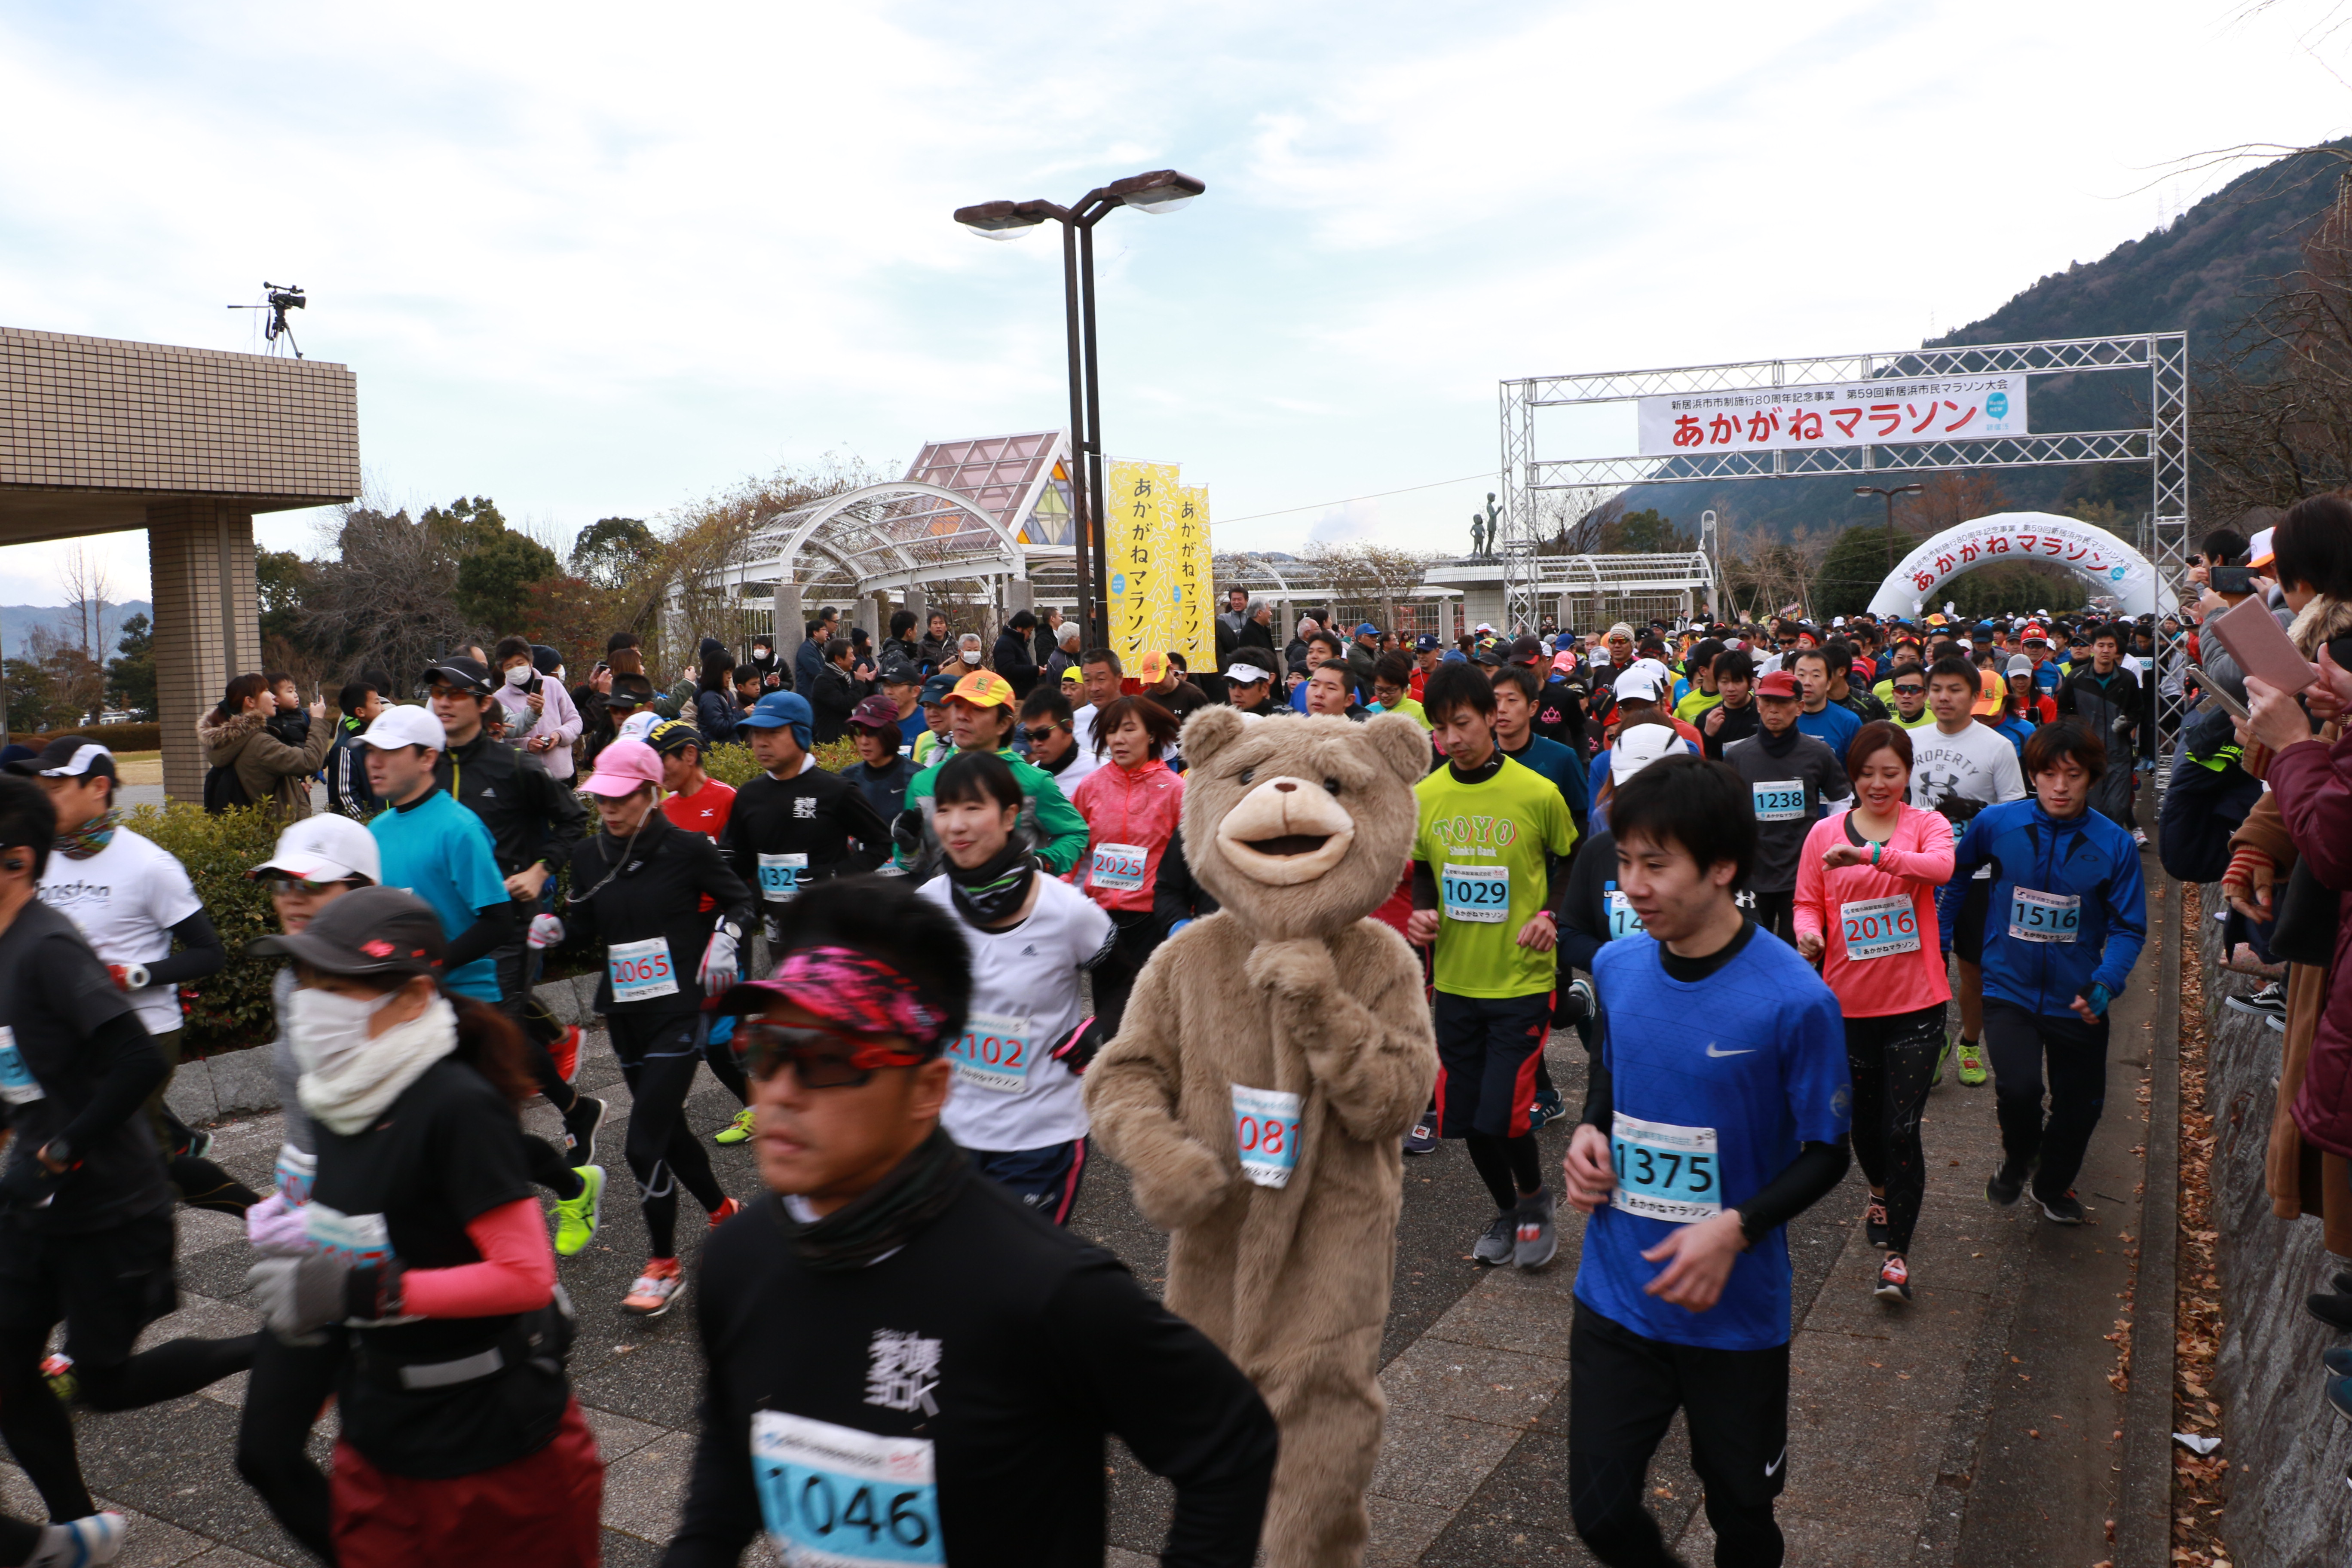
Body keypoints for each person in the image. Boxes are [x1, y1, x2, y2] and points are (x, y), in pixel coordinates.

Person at [661, 872, 1275, 1566]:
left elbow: (1231, 1442)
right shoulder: (738, 1258)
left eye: (827, 1059)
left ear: (927, 1087)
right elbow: (729, 1436)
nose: (779, 1091)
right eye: (766, 1050)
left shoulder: (1047, 1287)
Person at [242, 888, 603, 1568]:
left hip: (497, 1450)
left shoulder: (456, 1103)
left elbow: (526, 1275)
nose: (309, 1001)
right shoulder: (336, 1095)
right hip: (379, 1439)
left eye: (335, 985)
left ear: (411, 997)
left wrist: (366, 1293)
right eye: (309, 980)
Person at [1558, 754, 1850, 1568]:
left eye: (1656, 863)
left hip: (1734, 1312)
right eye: (1623, 861)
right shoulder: (1617, 966)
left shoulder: (1795, 999)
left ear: (1721, 867)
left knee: (1743, 1514)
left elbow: (1828, 1152)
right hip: (1618, 1292)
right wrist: (1590, 1131)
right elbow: (1615, 1073)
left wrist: (1737, 1226)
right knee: (1601, 1512)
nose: (1633, 884)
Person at [0, 773, 256, 1550]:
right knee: (8, 1367)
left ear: (15, 858)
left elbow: (135, 1062)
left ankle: (286, 1346)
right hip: (33, 1206)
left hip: (109, 1204)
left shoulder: (47, 947)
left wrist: (61, 1147)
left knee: (104, 1385)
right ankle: (76, 1528)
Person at [233, 812, 401, 1562]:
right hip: (311, 1241)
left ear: (365, 891)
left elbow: (418, 1142)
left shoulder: (396, 994)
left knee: (389, 1460)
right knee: (264, 1451)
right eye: (280, 883)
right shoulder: (287, 975)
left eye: (311, 883)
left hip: (389, 1255)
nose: (291, 898)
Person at [548, 740, 756, 1314]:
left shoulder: (688, 849)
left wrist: (726, 941)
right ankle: (724, 1214)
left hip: (679, 1014)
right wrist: (553, 930)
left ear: (649, 794)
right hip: (626, 1014)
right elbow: (585, 921)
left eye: (620, 799)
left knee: (641, 1144)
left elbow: (742, 903)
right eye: (601, 800)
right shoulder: (591, 856)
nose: (608, 810)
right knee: (668, 1132)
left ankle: (663, 1265)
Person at [358, 704, 610, 1174]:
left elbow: (496, 922)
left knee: (482, 1141)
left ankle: (570, 1182)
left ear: (427, 758)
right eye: (370, 751)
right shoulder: (375, 833)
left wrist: (432, 967)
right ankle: (576, 1120)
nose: (374, 761)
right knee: (455, 1143)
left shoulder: (458, 828)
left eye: (389, 752)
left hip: (466, 1003)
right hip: (410, 1006)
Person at [14, 740, 250, 1213]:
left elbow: (209, 954)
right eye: (39, 787)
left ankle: (260, 1214)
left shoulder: (150, 865)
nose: (43, 798)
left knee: (119, 1157)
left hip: (142, 1037)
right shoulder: (37, 860)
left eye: (56, 787)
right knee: (120, 1151)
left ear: (98, 787)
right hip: (70, 1036)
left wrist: (134, 975)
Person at [1408, 664, 1578, 1271]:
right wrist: (1422, 915)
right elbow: (1424, 869)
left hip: (1521, 981)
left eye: (1462, 723)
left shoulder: (1536, 791)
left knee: (1504, 1113)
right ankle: (1509, 1208)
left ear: (1490, 718)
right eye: (1441, 728)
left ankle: (1534, 1202)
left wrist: (1552, 917)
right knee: (1467, 1120)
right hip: (1454, 982)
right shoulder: (1426, 797)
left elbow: (1572, 859)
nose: (1452, 738)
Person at [1944, 720, 2147, 1225]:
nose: (2060, 786)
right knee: (2019, 1090)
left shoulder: (2115, 844)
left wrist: (2106, 981)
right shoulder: (1996, 823)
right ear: (2032, 775)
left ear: (2092, 778)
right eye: (2048, 774)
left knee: (2080, 1108)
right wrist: (1939, 939)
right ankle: (2018, 1158)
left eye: (2073, 775)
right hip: (2007, 988)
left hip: (2077, 996)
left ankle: (2053, 1185)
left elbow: (2128, 928)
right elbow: (1955, 874)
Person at [1791, 723, 1954, 1304]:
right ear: (1851, 776)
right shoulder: (1822, 834)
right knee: (1863, 1122)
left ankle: (1897, 1259)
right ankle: (1879, 1189)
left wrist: (1870, 855)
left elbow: (1940, 870)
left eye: (1891, 773)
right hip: (1848, 1003)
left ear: (1908, 774)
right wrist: (1809, 937)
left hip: (1917, 1001)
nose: (1879, 784)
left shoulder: (1926, 825)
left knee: (1901, 1127)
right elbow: (1808, 902)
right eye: (1867, 774)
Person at [916, 752, 1117, 1220]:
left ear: (1010, 816)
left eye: (972, 808)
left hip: (1041, 1135)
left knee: (1021, 1282)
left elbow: (1129, 978)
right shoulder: (928, 905)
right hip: (952, 1131)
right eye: (944, 810)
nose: (956, 825)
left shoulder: (1068, 911)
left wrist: (1101, 1028)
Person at [421, 658, 600, 1132]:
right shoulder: (425, 768)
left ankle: (500, 1151)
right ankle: (577, 1110)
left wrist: (541, 871)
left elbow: (573, 819)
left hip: (506, 922)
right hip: (448, 928)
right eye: (437, 692)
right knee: (497, 1030)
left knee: (493, 1035)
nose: (443, 701)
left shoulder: (514, 765)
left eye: (454, 693)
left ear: (484, 704)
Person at [1912, 655, 2028, 1090]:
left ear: (1974, 695)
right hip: (1923, 876)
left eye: (1954, 689)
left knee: (1974, 970)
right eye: (1937, 689)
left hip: (1979, 879)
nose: (1944, 698)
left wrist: (1976, 815)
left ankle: (1968, 1044)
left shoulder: (1997, 746)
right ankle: (1929, 1040)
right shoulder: (1910, 741)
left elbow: (2015, 812)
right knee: (1926, 966)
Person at [897, 672, 1090, 880]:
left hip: (1017, 904)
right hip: (948, 907)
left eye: (978, 709)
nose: (962, 716)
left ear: (1004, 724)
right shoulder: (923, 783)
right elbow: (912, 863)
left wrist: (1042, 863)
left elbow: (1076, 834)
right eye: (958, 707)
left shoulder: (1034, 782)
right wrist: (909, 846)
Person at [1069, 696, 1184, 1035]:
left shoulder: (1175, 790)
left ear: (1151, 736)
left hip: (1154, 922)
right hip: (1102, 922)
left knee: (1154, 1021)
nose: (1117, 739)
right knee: (1111, 1019)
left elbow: (1190, 861)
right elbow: (1074, 844)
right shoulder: (1091, 787)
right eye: (1111, 731)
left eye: (1129, 729)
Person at [1719, 670, 1851, 945]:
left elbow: (1842, 800)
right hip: (1754, 875)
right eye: (1767, 702)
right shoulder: (1738, 756)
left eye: (1782, 703)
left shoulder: (1819, 753)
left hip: (1804, 874)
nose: (1773, 710)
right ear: (1757, 705)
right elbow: (1724, 813)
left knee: (1801, 954)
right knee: (1751, 954)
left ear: (1800, 707)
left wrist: (1831, 848)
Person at [199, 672, 335, 818]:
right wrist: (318, 720)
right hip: (276, 832)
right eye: (266, 691)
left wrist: (295, 789)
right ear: (250, 702)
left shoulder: (237, 740)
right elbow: (310, 762)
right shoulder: (259, 743)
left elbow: (263, 782)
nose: (273, 697)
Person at [2057, 622, 2143, 831]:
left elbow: (2138, 711)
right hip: (2086, 755)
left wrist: (2127, 722)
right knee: (2091, 808)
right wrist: (2076, 730)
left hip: (2119, 755)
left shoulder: (2127, 679)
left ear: (2117, 649)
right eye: (2101, 645)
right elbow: (2062, 713)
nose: (2106, 650)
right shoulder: (2076, 679)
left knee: (2117, 808)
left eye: (2111, 646)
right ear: (2092, 648)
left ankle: (2112, 854)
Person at [490, 636, 585, 781]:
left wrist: (559, 736)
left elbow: (575, 720)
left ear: (530, 662)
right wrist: (526, 744)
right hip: (527, 778)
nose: (516, 669)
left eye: (520, 663)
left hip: (563, 775)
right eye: (509, 666)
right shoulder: (499, 699)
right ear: (503, 669)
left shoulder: (553, 685)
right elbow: (503, 737)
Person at [1017, 685, 1099, 792]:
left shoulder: (1099, 772)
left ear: (1069, 726)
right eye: (1029, 736)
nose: (1036, 743)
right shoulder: (1029, 778)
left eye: (1043, 734)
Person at [1788, 646, 1862, 758]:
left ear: (1829, 683)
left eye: (1816, 676)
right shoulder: (1784, 717)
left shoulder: (1849, 722)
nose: (1807, 682)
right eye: (1801, 675)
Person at [328, 678, 384, 819]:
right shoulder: (346, 749)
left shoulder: (382, 742)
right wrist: (370, 825)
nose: (383, 708)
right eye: (377, 703)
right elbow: (345, 798)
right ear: (360, 712)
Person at [1701, 648, 1759, 759]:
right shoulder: (1707, 718)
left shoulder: (1762, 713)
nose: (1731, 689)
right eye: (1724, 682)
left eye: (1737, 681)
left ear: (1750, 682)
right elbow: (1703, 763)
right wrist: (1708, 735)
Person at [1368, 651, 1430, 729]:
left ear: (1404, 688)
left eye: (1391, 690)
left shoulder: (1420, 712)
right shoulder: (1368, 711)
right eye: (1379, 689)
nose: (1384, 695)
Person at [992, 609, 1041, 700]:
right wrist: (1035, 670)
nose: (1030, 635)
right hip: (1014, 698)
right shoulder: (1005, 643)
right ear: (1019, 628)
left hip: (1023, 696)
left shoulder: (1018, 643)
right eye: (1029, 632)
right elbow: (1009, 669)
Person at [1303, 659, 1368, 720]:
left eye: (1331, 688)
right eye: (1314, 685)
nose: (1319, 694)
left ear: (1349, 700)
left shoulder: (1354, 732)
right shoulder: (1297, 729)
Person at [1886, 661, 1933, 731]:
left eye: (1914, 690)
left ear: (1926, 695)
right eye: (1900, 689)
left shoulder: (1939, 724)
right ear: (1893, 694)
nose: (1906, 696)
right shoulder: (1889, 729)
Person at [916, 610, 955, 675]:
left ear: (946, 627)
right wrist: (936, 670)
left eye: (941, 623)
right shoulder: (922, 645)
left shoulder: (954, 644)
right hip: (931, 683)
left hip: (952, 681)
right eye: (935, 623)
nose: (938, 626)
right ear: (929, 627)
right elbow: (915, 668)